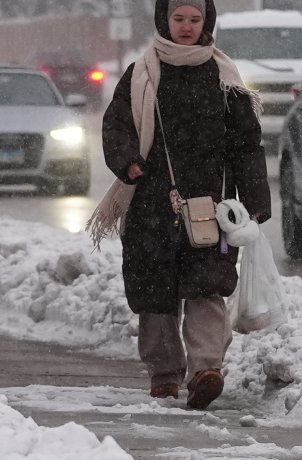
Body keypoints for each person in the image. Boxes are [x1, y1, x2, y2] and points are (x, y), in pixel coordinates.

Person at [87, 0, 269, 410]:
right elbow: (117, 124)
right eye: (178, 18)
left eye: (194, 19)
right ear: (163, 20)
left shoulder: (224, 78)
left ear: (207, 22)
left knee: (207, 286)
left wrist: (254, 201)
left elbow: (245, 144)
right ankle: (165, 374)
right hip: (152, 202)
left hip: (211, 204)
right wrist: (128, 160)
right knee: (156, 292)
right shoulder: (141, 74)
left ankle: (206, 370)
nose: (186, 27)